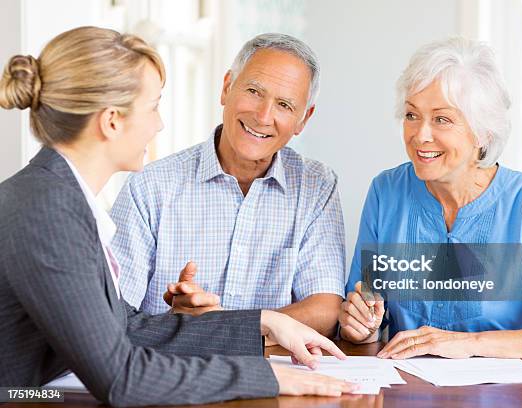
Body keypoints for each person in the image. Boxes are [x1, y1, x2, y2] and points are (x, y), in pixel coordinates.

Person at [0, 26, 357, 406]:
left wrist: (262, 322)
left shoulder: (56, 198)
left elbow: (127, 326)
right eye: (153, 107)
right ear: (111, 121)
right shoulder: (49, 211)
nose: (159, 124)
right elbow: (122, 377)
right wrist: (263, 375)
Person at [339, 37, 522, 360]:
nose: (420, 135)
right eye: (412, 115)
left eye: (441, 119)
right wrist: (361, 324)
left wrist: (468, 344)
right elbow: (364, 303)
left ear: (483, 132)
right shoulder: (385, 192)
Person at [110, 33, 344, 338]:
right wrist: (177, 321)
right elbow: (111, 315)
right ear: (226, 88)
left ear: (303, 119)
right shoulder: (150, 186)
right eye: (254, 91)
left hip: (275, 378)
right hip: (171, 373)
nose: (263, 116)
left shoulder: (317, 186)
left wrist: (220, 329)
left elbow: (324, 309)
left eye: (285, 105)